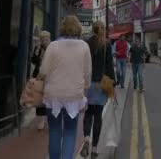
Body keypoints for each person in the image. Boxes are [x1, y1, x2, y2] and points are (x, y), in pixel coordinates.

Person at [40, 16, 91, 159]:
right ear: (78, 28)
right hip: (74, 96)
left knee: (54, 131)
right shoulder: (84, 46)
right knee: (70, 131)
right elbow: (87, 74)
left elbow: (43, 71)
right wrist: (85, 92)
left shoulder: (53, 46)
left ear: (62, 28)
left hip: (53, 96)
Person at [81, 21, 115, 158]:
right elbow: (109, 66)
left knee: (88, 114)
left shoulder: (86, 43)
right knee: (98, 116)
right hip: (101, 84)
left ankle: (87, 139)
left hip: (88, 84)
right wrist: (113, 82)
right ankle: (94, 148)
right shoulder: (106, 45)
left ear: (92, 30)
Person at [32, 31, 50, 131]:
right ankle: (41, 119)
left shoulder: (52, 48)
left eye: (45, 39)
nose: (43, 41)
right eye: (42, 39)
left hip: (48, 77)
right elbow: (33, 61)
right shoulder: (39, 48)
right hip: (38, 76)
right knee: (39, 97)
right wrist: (37, 50)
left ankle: (45, 119)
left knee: (47, 97)